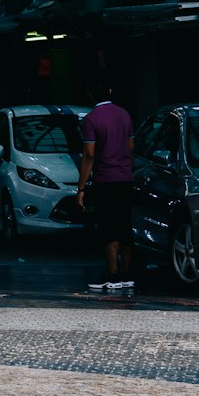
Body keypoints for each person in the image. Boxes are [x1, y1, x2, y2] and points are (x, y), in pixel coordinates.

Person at [77, 78, 135, 293]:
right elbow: (131, 147)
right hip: (125, 177)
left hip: (106, 178)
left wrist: (81, 187)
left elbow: (89, 154)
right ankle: (127, 274)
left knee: (109, 226)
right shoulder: (125, 114)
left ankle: (112, 274)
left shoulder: (91, 119)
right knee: (124, 225)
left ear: (91, 95)